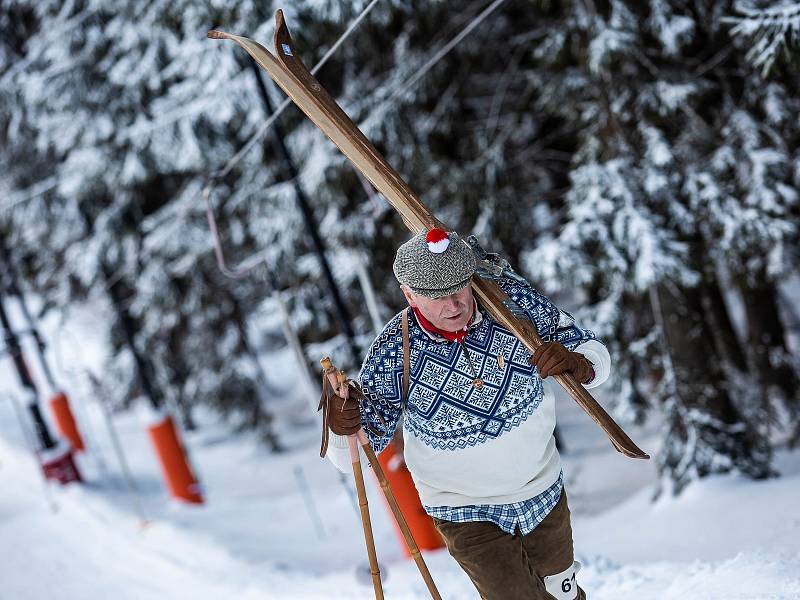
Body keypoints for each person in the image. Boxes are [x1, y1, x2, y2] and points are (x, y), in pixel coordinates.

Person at [325, 228, 610, 600]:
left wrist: (579, 363)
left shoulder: (514, 307)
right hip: (462, 506)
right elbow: (357, 457)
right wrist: (342, 428)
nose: (452, 306)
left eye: (459, 289)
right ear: (409, 295)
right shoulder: (395, 349)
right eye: (435, 297)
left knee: (565, 596)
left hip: (541, 485)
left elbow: (591, 351)